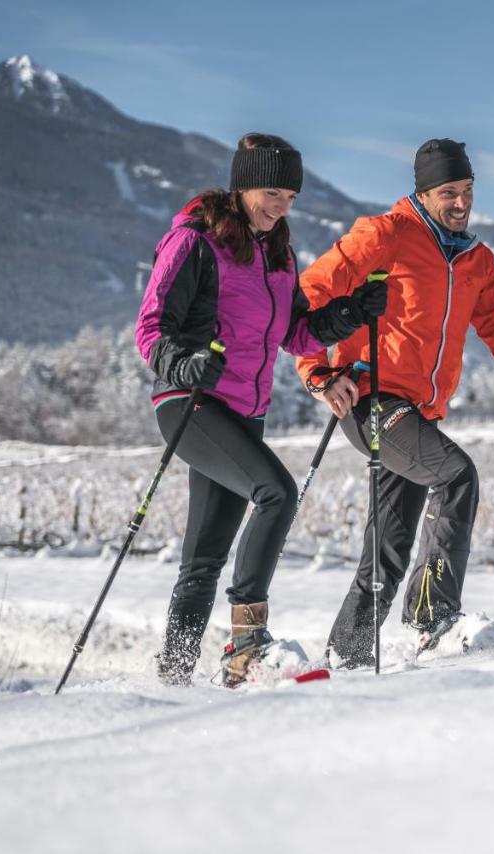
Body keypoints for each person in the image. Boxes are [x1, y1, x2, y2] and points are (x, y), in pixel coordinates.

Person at [296, 138, 494, 668]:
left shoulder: (477, 260)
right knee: (456, 475)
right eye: (449, 192)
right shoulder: (385, 236)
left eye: (468, 191)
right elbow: (311, 295)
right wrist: (316, 372)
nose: (461, 203)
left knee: (388, 546)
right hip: (370, 399)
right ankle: (433, 621)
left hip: (418, 413)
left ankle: (346, 657)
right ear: (423, 191)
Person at [134, 133, 387, 687]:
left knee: (204, 558)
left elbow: (297, 333)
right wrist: (181, 363)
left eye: (290, 196)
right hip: (191, 401)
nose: (282, 205)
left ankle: (172, 676)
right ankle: (247, 643)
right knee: (276, 492)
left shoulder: (277, 253)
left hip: (243, 411)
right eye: (272, 191)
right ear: (243, 186)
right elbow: (151, 327)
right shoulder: (195, 242)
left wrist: (348, 313)